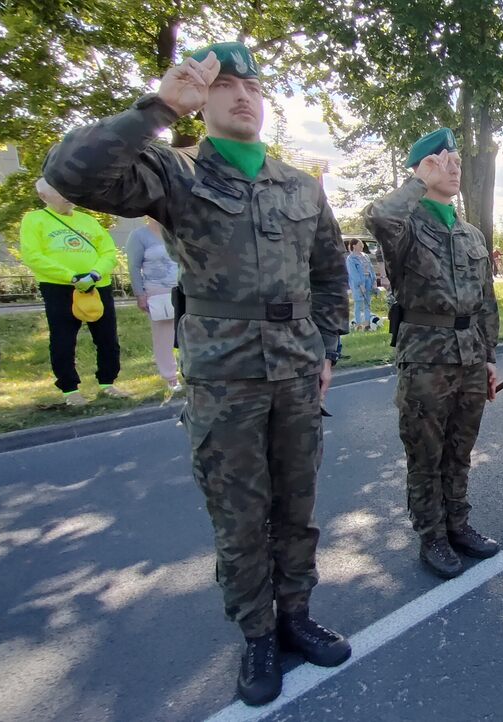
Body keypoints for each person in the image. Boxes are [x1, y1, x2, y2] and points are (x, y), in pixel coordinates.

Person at [43, 43, 351, 705]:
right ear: (203, 98)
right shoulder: (174, 170)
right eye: (225, 84)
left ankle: (296, 616)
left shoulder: (301, 186)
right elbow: (72, 175)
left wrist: (328, 349)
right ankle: (258, 634)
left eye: (253, 86)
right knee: (239, 516)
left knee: (296, 508)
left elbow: (329, 275)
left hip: (298, 372)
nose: (242, 96)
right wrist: (158, 108)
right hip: (223, 376)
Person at [364, 128, 501, 580]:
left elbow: (485, 302)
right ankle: (432, 536)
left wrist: (490, 357)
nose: (454, 167)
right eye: (443, 160)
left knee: (460, 450)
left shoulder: (471, 234)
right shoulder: (405, 227)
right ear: (423, 167)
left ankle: (458, 524)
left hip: (470, 356)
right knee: (426, 454)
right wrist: (418, 180)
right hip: (425, 358)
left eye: (457, 160)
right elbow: (378, 217)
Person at [20, 179, 128, 406]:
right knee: (63, 340)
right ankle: (70, 389)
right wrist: (71, 276)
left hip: (97, 285)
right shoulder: (34, 219)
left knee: (108, 337)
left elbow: (109, 251)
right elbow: (33, 256)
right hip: (60, 288)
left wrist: (95, 274)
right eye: (60, 192)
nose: (67, 196)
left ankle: (107, 382)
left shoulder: (88, 220)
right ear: (43, 196)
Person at [126, 218, 181, 391]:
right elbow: (134, 267)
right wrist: (140, 294)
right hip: (157, 292)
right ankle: (171, 377)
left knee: (188, 333)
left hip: (183, 290)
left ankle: (191, 372)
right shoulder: (139, 235)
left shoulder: (177, 231)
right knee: (164, 337)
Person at [345, 239, 378, 331]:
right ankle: (358, 325)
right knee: (358, 303)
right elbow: (353, 273)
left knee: (368, 302)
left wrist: (374, 280)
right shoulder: (351, 259)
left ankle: (367, 324)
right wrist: (360, 284)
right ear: (354, 246)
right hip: (358, 283)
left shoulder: (365, 256)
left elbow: (371, 268)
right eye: (360, 245)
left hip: (368, 280)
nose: (362, 247)